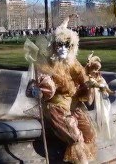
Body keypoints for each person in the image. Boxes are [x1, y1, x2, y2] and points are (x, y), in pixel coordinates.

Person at [25, 14, 98, 164]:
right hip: (56, 106)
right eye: (60, 44)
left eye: (67, 45)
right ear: (53, 46)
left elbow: (83, 78)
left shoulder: (73, 62)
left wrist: (91, 83)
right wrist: (37, 90)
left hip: (73, 103)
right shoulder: (46, 65)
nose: (63, 48)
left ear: (72, 47)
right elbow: (32, 87)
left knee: (89, 131)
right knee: (74, 136)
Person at [84, 52, 116, 140]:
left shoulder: (100, 78)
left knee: (104, 116)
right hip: (91, 98)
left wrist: (109, 91)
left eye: (97, 69)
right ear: (89, 69)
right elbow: (88, 86)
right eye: (94, 69)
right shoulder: (88, 78)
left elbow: (105, 86)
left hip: (100, 98)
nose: (96, 71)